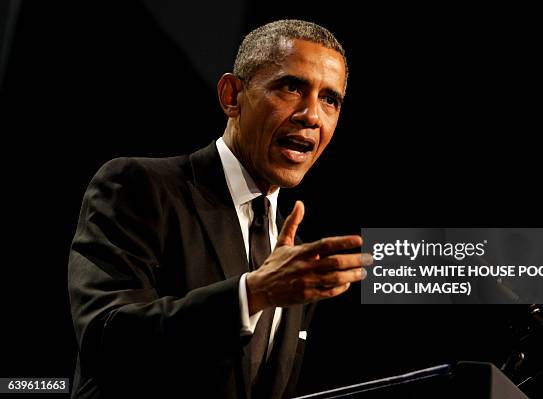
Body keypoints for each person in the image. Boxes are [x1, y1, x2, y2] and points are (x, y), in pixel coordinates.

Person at [68, 19, 372, 399]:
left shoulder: (292, 254)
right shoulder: (138, 187)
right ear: (231, 96)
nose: (311, 115)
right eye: (291, 86)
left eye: (330, 99)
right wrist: (254, 292)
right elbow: (107, 338)